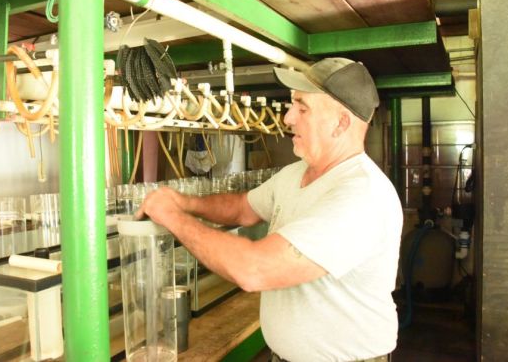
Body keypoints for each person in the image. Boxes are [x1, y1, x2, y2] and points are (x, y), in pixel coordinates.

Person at [136, 57, 403, 362]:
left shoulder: (362, 196)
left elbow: (254, 269)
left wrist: (172, 217)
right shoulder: (296, 173)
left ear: (341, 123)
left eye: (302, 108)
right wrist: (186, 203)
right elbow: (242, 208)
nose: (288, 118)